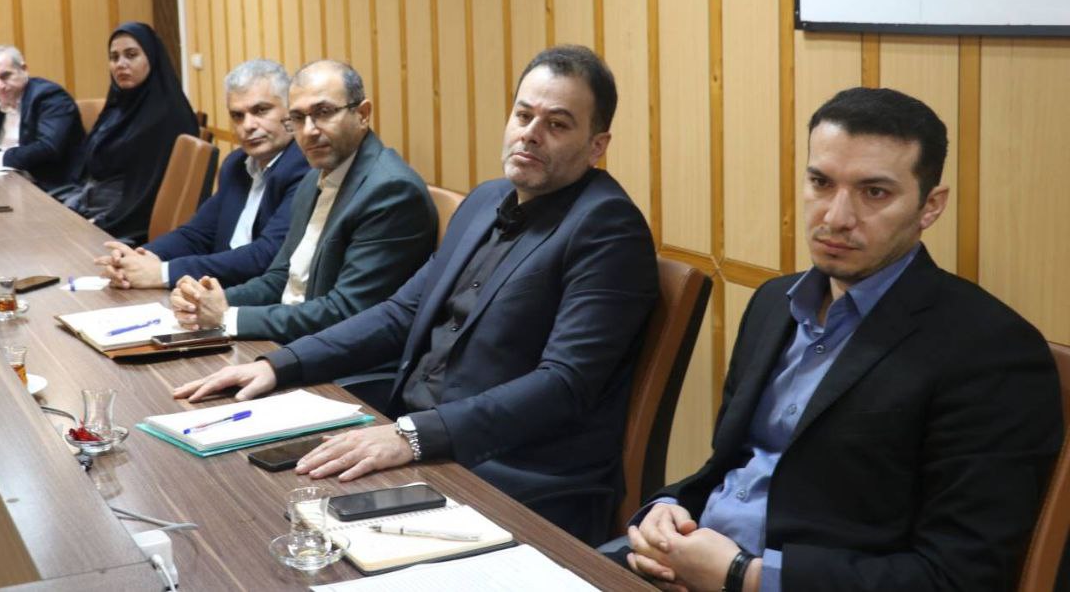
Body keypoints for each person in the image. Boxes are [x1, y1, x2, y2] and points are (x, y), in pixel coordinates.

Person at [173, 46, 659, 543]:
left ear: (597, 146)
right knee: (238, 496)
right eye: (523, 115)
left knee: (292, 540)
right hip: (416, 435)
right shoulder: (487, 199)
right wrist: (281, 364)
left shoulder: (607, 226)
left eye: (557, 124)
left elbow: (564, 385)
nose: (531, 133)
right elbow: (400, 313)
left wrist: (413, 436)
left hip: (514, 473)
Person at [608, 87, 1063, 592]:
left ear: (930, 206)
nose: (836, 217)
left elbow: (960, 576)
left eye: (875, 193)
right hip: (687, 561)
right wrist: (668, 508)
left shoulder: (991, 352)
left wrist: (744, 576)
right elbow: (734, 467)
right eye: (821, 182)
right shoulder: (773, 302)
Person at [166, 59, 437, 343]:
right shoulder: (313, 178)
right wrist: (210, 301)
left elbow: (347, 312)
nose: (308, 130)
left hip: (339, 357)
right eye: (297, 118)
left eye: (323, 112)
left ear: (362, 114)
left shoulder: (391, 191)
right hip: (292, 336)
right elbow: (281, 277)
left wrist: (228, 317)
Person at [94, 59, 309, 289]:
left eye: (261, 110)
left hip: (256, 298)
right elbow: (197, 234)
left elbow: (266, 256)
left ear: (290, 112)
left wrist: (162, 272)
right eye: (238, 115)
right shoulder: (236, 164)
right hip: (212, 289)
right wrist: (139, 258)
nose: (248, 125)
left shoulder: (304, 167)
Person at [59, 22, 198, 244]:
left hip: (125, 222)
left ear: (151, 58)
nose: (121, 64)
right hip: (93, 202)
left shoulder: (166, 116)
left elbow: (147, 195)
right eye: (114, 57)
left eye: (131, 55)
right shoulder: (118, 104)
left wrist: (101, 223)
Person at [0, 45, 83, 192]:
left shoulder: (50, 97)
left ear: (24, 69)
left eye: (5, 76)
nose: (0, 86)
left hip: (47, 184)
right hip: (6, 179)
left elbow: (48, 148)